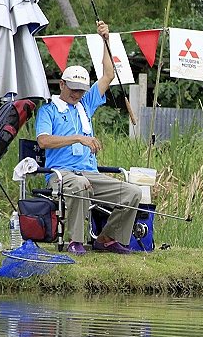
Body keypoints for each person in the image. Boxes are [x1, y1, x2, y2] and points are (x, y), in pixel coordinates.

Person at [35, 20, 141, 255]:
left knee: (133, 192)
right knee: (80, 184)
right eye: (72, 88)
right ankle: (76, 241)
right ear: (61, 84)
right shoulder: (48, 110)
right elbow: (43, 141)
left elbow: (108, 75)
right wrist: (77, 138)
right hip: (62, 176)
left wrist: (106, 40)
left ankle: (105, 238)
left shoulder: (86, 104)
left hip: (91, 174)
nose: (76, 94)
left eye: (80, 90)